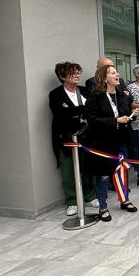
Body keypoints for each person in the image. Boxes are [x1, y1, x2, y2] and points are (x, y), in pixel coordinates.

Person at [85, 64, 139, 222]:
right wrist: (115, 120)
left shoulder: (122, 95)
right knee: (103, 176)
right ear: (104, 78)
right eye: (113, 73)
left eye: (117, 72)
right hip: (103, 142)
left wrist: (133, 115)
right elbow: (93, 121)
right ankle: (103, 207)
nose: (117, 75)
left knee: (122, 170)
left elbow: (126, 115)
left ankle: (124, 200)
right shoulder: (95, 97)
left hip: (122, 139)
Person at [48, 61, 95, 216]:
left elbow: (92, 110)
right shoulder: (56, 94)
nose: (77, 75)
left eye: (78, 72)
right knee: (68, 171)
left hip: (86, 137)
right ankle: (72, 201)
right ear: (63, 76)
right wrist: (81, 110)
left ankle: (90, 196)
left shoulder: (85, 91)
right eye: (73, 73)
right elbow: (61, 114)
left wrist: (74, 111)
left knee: (88, 168)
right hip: (66, 138)